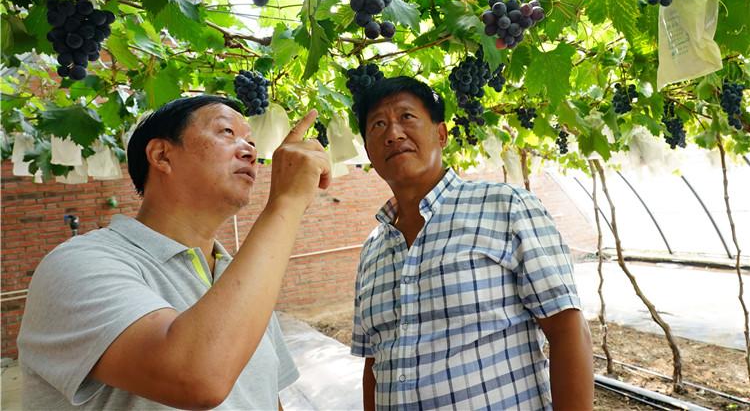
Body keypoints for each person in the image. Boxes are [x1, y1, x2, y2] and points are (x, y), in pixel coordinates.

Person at [17, 95, 331, 410]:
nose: (250, 151)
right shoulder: (78, 264)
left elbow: (264, 396)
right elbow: (197, 377)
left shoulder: (242, 277)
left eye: (250, 140)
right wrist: (286, 203)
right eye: (226, 132)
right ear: (162, 155)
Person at [350, 77, 593, 410]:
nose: (393, 133)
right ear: (368, 150)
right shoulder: (373, 249)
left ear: (441, 134)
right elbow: (375, 362)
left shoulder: (506, 206)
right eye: (378, 124)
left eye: (406, 117)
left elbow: (566, 327)